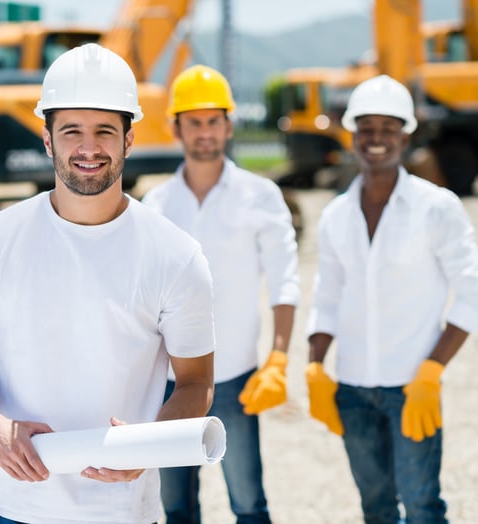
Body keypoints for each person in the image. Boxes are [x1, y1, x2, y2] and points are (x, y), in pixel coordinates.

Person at [0, 43, 216, 524]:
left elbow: (196, 382)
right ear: (47, 140)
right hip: (5, 506)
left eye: (105, 130)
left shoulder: (176, 256)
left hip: (121, 512)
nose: (89, 148)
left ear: (129, 140)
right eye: (71, 131)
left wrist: (146, 449)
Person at [306, 74, 478, 524]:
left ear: (406, 135)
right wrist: (314, 365)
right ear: (352, 135)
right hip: (353, 390)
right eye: (366, 127)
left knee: (423, 507)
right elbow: (327, 297)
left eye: (388, 127)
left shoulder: (436, 207)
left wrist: (432, 370)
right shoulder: (335, 216)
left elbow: (472, 289)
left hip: (412, 387)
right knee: (376, 508)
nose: (376, 138)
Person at [142, 65, 300, 524]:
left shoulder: (261, 195)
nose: (205, 131)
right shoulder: (156, 206)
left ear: (229, 126)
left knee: (249, 505)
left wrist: (278, 359)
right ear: (176, 127)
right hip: (168, 383)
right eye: (194, 121)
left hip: (236, 378)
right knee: (175, 507)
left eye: (213, 120)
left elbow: (285, 279)